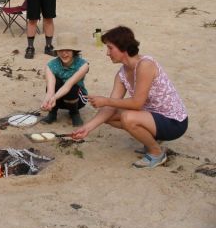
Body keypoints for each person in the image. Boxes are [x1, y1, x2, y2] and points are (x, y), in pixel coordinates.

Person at [72, 26, 188, 169]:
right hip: (152, 116)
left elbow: (137, 103)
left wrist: (105, 100)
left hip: (174, 122)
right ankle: (150, 140)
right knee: (109, 115)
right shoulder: (121, 74)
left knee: (128, 117)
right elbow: (109, 108)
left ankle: (156, 153)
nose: (107, 53)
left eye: (110, 48)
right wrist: (86, 128)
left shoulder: (145, 65)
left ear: (123, 48)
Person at [40, 32, 89, 127]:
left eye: (68, 50)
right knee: (56, 82)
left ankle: (74, 113)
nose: (64, 54)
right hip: (59, 100)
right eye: (61, 50)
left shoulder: (83, 65)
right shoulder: (50, 65)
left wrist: (53, 98)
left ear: (74, 51)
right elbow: (50, 89)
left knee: (72, 86)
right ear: (57, 51)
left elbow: (68, 85)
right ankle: (52, 113)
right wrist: (47, 101)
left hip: (78, 100)